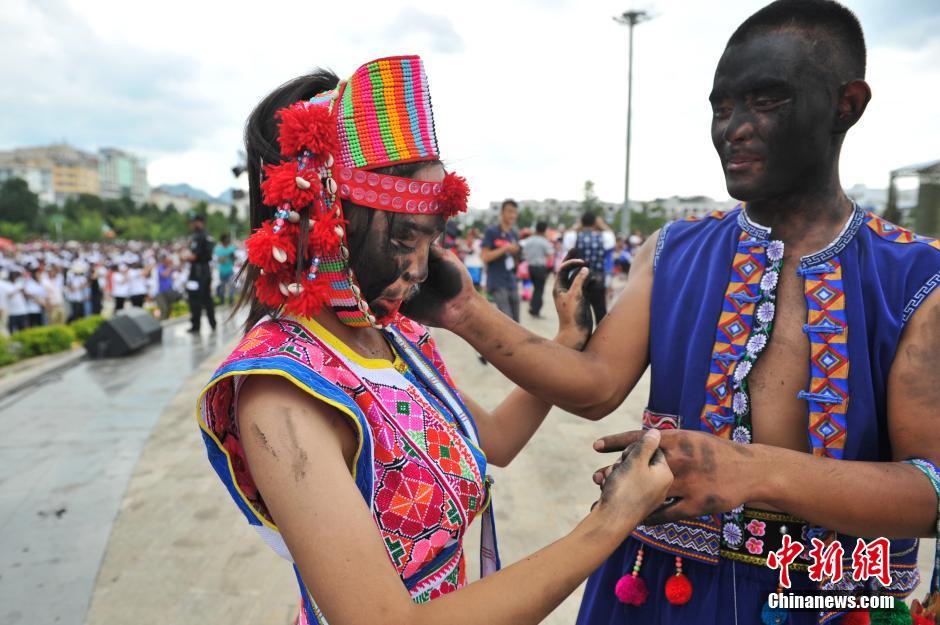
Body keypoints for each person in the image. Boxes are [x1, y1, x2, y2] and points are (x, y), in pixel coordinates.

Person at [401, 2, 940, 623]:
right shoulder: (673, 251)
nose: (733, 128)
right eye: (721, 107)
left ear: (847, 104)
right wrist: (465, 308)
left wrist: (750, 469)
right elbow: (596, 388)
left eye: (766, 101)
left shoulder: (915, 277)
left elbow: (928, 492)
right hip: (660, 590)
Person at [196, 56, 673, 625]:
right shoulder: (282, 393)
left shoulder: (395, 338)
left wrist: (566, 340)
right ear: (331, 218)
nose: (421, 268)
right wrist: (608, 523)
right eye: (404, 237)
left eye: (432, 240)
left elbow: (492, 440)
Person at [568, 212, 614, 323]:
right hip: (598, 277)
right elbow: (611, 237)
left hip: (579, 277)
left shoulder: (573, 236)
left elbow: (568, 240)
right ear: (595, 223)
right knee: (600, 310)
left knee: (580, 310)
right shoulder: (605, 237)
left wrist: (578, 225)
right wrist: (602, 224)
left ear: (581, 222)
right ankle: (600, 336)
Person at [482, 200, 521, 321]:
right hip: (497, 281)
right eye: (509, 211)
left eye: (515, 212)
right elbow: (485, 257)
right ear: (502, 213)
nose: (512, 215)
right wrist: (505, 248)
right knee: (507, 320)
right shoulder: (492, 231)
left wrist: (515, 253)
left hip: (511, 280)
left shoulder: (513, 233)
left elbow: (515, 262)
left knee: (516, 320)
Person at [185, 212, 216, 333]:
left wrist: (185, 257)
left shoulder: (199, 236)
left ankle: (196, 325)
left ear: (198, 222)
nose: (191, 225)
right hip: (204, 270)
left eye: (193, 222)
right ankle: (212, 323)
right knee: (207, 298)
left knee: (195, 298)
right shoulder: (205, 235)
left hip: (198, 271)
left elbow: (195, 256)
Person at [521, 221, 553, 318]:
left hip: (530, 267)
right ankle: (535, 310)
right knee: (539, 289)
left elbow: (524, 253)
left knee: (535, 288)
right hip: (540, 267)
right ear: (544, 230)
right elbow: (550, 256)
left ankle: (533, 306)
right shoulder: (544, 241)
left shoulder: (529, 240)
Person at [213, 233, 237, 305]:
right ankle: (222, 300)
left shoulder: (231, 248)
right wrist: (227, 257)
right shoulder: (218, 249)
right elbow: (219, 260)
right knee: (223, 287)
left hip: (230, 270)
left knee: (231, 285)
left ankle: (231, 300)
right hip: (222, 271)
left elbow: (234, 259)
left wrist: (233, 257)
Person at [154, 253, 177, 321]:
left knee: (169, 308)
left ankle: (166, 322)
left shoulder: (167, 267)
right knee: (164, 308)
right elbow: (165, 275)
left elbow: (178, 269)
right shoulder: (159, 267)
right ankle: (162, 323)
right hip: (160, 292)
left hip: (169, 291)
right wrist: (170, 267)